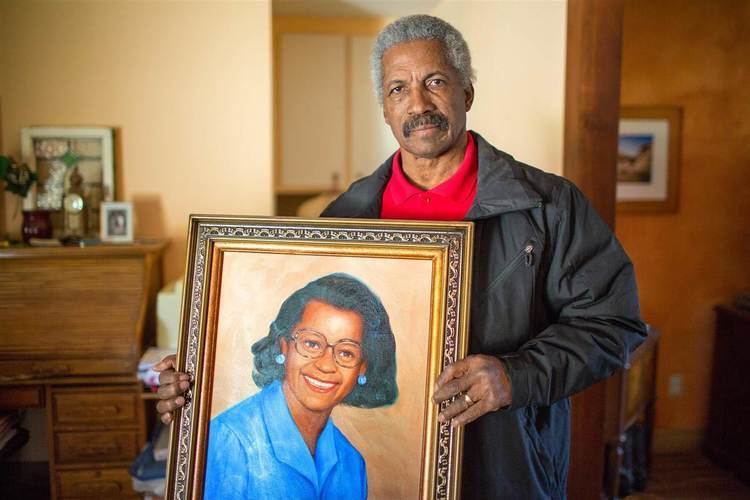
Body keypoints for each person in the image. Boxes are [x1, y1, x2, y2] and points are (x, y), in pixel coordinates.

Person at [157, 15, 646, 499]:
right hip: (394, 480)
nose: (417, 103)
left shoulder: (549, 205)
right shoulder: (345, 218)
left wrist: (514, 377)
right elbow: (289, 340)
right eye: (397, 89)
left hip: (504, 475)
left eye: (435, 82)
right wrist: (205, 373)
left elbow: (612, 325)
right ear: (385, 109)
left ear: (467, 93)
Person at [179, 273, 397, 499]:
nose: (325, 365)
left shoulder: (352, 463)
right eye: (312, 343)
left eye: (346, 352)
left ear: (362, 368)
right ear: (284, 347)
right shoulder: (229, 439)